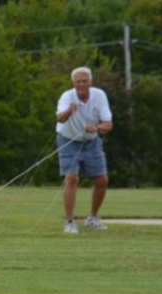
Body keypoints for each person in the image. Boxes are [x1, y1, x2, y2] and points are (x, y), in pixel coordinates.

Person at [56, 66, 113, 234]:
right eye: (78, 81)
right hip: (68, 140)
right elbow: (59, 117)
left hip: (91, 141)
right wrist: (69, 110)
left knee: (102, 181)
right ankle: (70, 222)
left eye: (85, 81)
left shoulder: (99, 95)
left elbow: (108, 124)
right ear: (73, 83)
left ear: (91, 82)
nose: (81, 84)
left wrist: (95, 128)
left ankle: (92, 218)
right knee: (72, 178)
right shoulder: (67, 96)